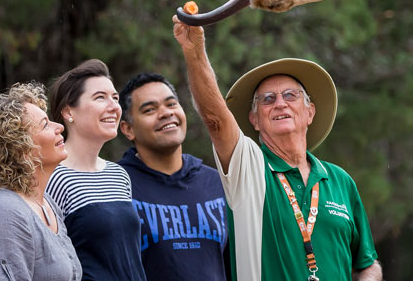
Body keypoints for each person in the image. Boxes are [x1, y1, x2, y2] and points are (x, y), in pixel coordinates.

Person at [172, 16, 383, 281]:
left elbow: (367, 263)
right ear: (255, 120)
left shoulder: (340, 180)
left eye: (291, 95)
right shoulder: (248, 167)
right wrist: (194, 51)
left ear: (310, 112)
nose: (280, 104)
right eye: (268, 100)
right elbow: (215, 119)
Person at [0, 82, 82, 280]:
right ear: (20, 148)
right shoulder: (2, 212)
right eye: (45, 124)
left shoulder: (48, 205)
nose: (59, 126)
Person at [117, 72, 228, 280]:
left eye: (171, 104)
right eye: (149, 109)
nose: (166, 113)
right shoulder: (116, 186)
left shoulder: (216, 182)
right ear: (128, 129)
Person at [45, 59, 146, 281]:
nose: (114, 106)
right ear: (68, 111)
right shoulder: (53, 178)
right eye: (100, 97)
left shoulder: (118, 175)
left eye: (115, 98)